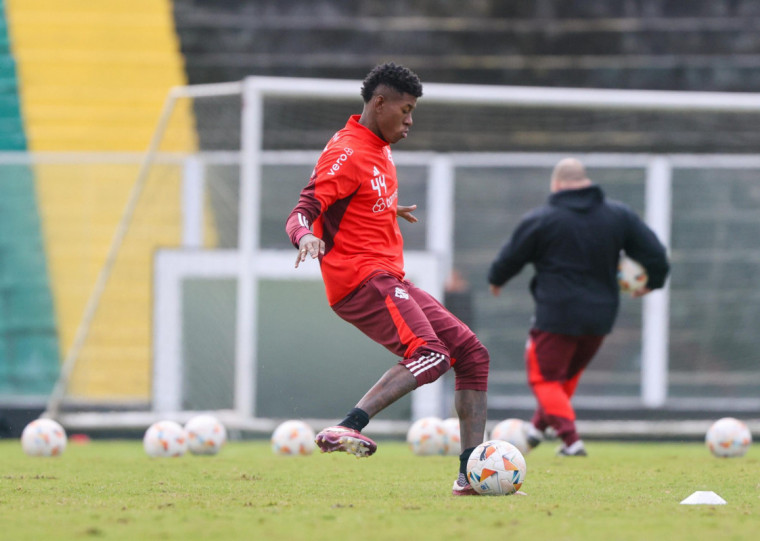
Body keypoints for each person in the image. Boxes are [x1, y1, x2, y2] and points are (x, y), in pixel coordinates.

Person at [285, 62, 490, 496]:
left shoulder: (378, 146)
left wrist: (382, 209)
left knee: (471, 353)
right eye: (406, 109)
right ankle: (346, 427)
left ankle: (470, 477)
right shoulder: (347, 150)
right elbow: (305, 208)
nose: (410, 121)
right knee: (432, 354)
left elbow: (353, 199)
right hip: (359, 279)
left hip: (385, 274)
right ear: (379, 103)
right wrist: (304, 236)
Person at [488, 158, 670, 456]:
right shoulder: (618, 215)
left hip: (556, 314)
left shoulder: (543, 218)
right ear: (586, 182)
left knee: (543, 378)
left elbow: (512, 255)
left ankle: (572, 441)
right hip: (600, 316)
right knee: (564, 378)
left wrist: (497, 279)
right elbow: (654, 253)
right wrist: (655, 280)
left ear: (556, 185)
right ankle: (536, 430)